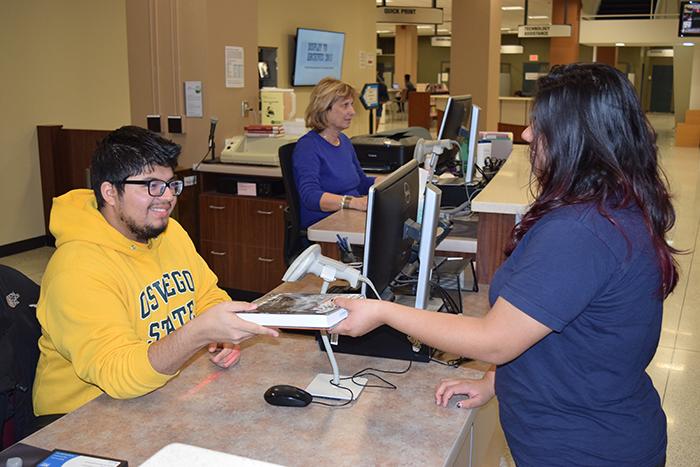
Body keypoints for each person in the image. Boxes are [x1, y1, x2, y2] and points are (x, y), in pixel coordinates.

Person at [334, 63, 676, 467]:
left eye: (540, 125)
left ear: (577, 137)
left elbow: (496, 338)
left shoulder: (581, 231)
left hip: (586, 449)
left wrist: (382, 311)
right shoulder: (611, 206)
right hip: (598, 430)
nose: (527, 134)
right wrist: (496, 381)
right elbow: (559, 330)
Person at [33, 126, 278, 417]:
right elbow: (116, 374)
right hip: (79, 417)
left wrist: (221, 335)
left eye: (171, 185)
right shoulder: (76, 269)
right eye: (152, 185)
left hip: (155, 391)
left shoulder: (168, 232)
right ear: (110, 192)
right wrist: (197, 334)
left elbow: (206, 294)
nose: (168, 198)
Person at [293, 77, 375, 229]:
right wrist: (354, 202)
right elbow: (310, 196)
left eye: (351, 105)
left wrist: (390, 182)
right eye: (345, 105)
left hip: (349, 216)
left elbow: (361, 183)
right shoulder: (308, 147)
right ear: (324, 109)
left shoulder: (344, 140)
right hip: (325, 223)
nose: (352, 111)